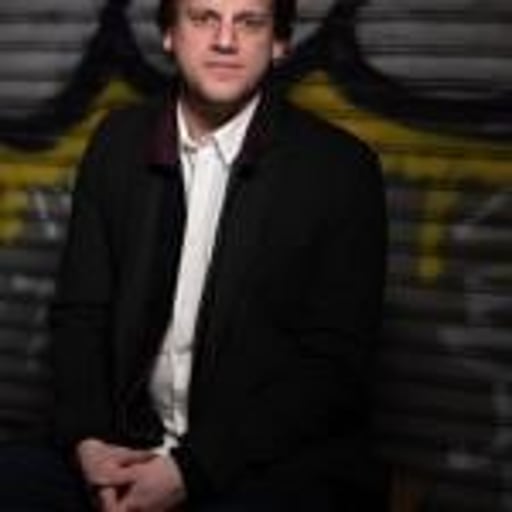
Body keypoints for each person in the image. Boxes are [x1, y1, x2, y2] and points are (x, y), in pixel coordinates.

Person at [49, 0, 388, 510]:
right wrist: (90, 441)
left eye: (249, 22)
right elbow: (81, 313)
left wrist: (191, 470)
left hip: (264, 463)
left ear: (279, 42)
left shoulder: (340, 169)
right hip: (125, 442)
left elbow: (334, 366)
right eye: (204, 18)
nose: (225, 41)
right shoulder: (117, 142)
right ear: (169, 34)